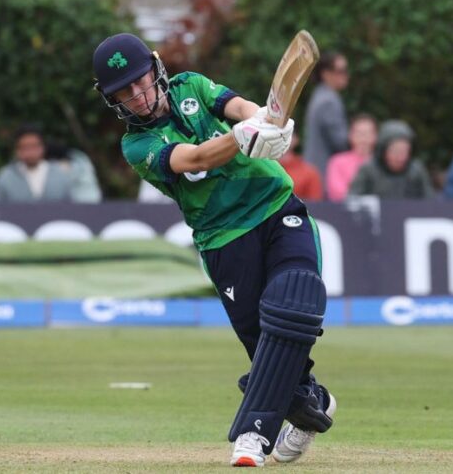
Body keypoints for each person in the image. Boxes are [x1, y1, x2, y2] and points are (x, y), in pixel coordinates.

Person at [93, 33, 335, 467]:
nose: (137, 94)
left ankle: (251, 436)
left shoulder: (190, 85)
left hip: (277, 208)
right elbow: (198, 159)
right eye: (123, 92)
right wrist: (246, 136)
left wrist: (266, 119)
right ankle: (312, 401)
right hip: (223, 239)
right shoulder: (136, 146)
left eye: (140, 80)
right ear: (113, 100)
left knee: (294, 300)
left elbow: (238, 107)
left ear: (155, 68)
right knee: (265, 341)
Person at [348, 119, 434, 199]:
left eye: (405, 151)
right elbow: (353, 200)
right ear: (383, 151)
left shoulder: (416, 170)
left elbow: (430, 202)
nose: (400, 157)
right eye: (395, 151)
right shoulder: (368, 170)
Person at [0, 124, 72, 202]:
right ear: (17, 150)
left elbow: (70, 208)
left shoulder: (59, 175)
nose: (30, 152)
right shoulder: (5, 177)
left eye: (34, 146)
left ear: (42, 147)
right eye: (25, 147)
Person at [303, 51, 350, 181]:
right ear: (325, 74)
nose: (346, 75)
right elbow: (340, 142)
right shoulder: (329, 101)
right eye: (341, 70)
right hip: (324, 171)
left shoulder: (320, 95)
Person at [326, 114, 377, 202]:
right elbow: (336, 193)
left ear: (375, 136)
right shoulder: (337, 162)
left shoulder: (382, 163)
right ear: (350, 135)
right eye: (359, 133)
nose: (363, 137)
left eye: (367, 133)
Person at [278, 131, 323, 201]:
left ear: (296, 139)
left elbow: (315, 205)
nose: (280, 138)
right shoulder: (258, 167)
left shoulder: (309, 172)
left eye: (286, 134)